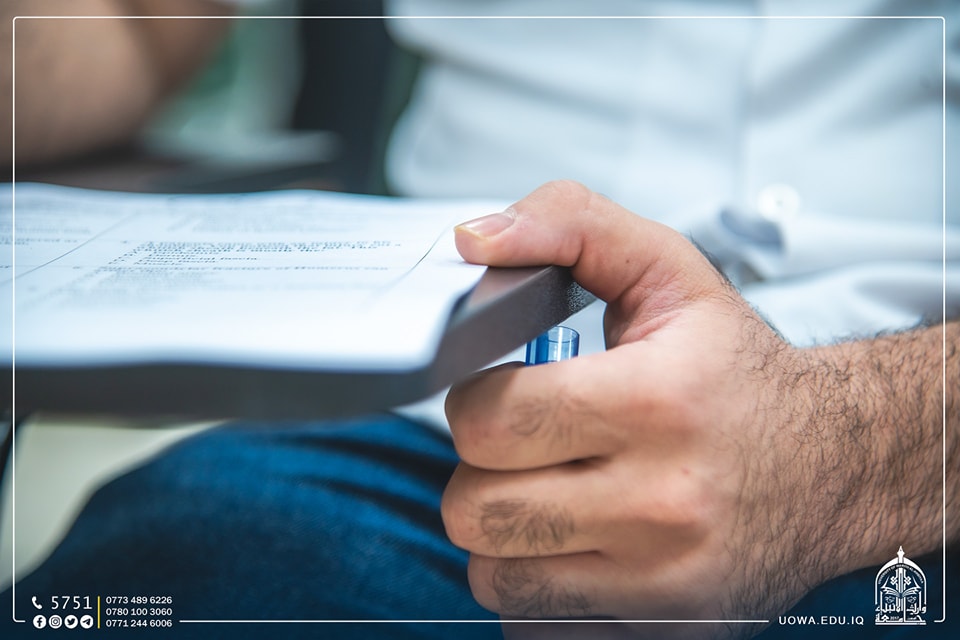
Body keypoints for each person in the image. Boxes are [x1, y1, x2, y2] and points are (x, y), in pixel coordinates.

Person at [1, 1, 957, 638]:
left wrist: (864, 454)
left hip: (922, 470)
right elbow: (135, 23)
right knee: (144, 578)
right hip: (441, 423)